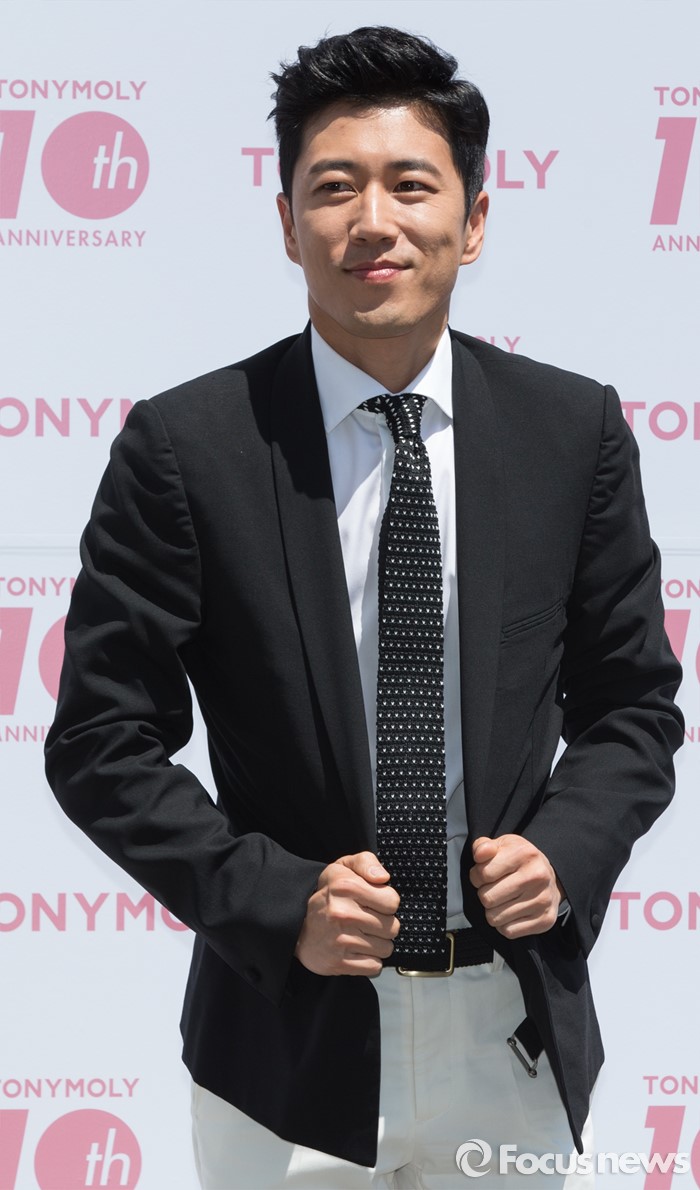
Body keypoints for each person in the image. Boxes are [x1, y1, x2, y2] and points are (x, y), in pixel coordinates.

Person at [45, 25, 683, 1190]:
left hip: (511, 1026)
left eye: (410, 185)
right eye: (333, 187)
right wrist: (280, 900)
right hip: (286, 1043)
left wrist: (563, 851)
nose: (371, 220)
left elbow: (632, 706)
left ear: (473, 221)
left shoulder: (570, 431)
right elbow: (100, 738)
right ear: (287, 224)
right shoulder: (188, 446)